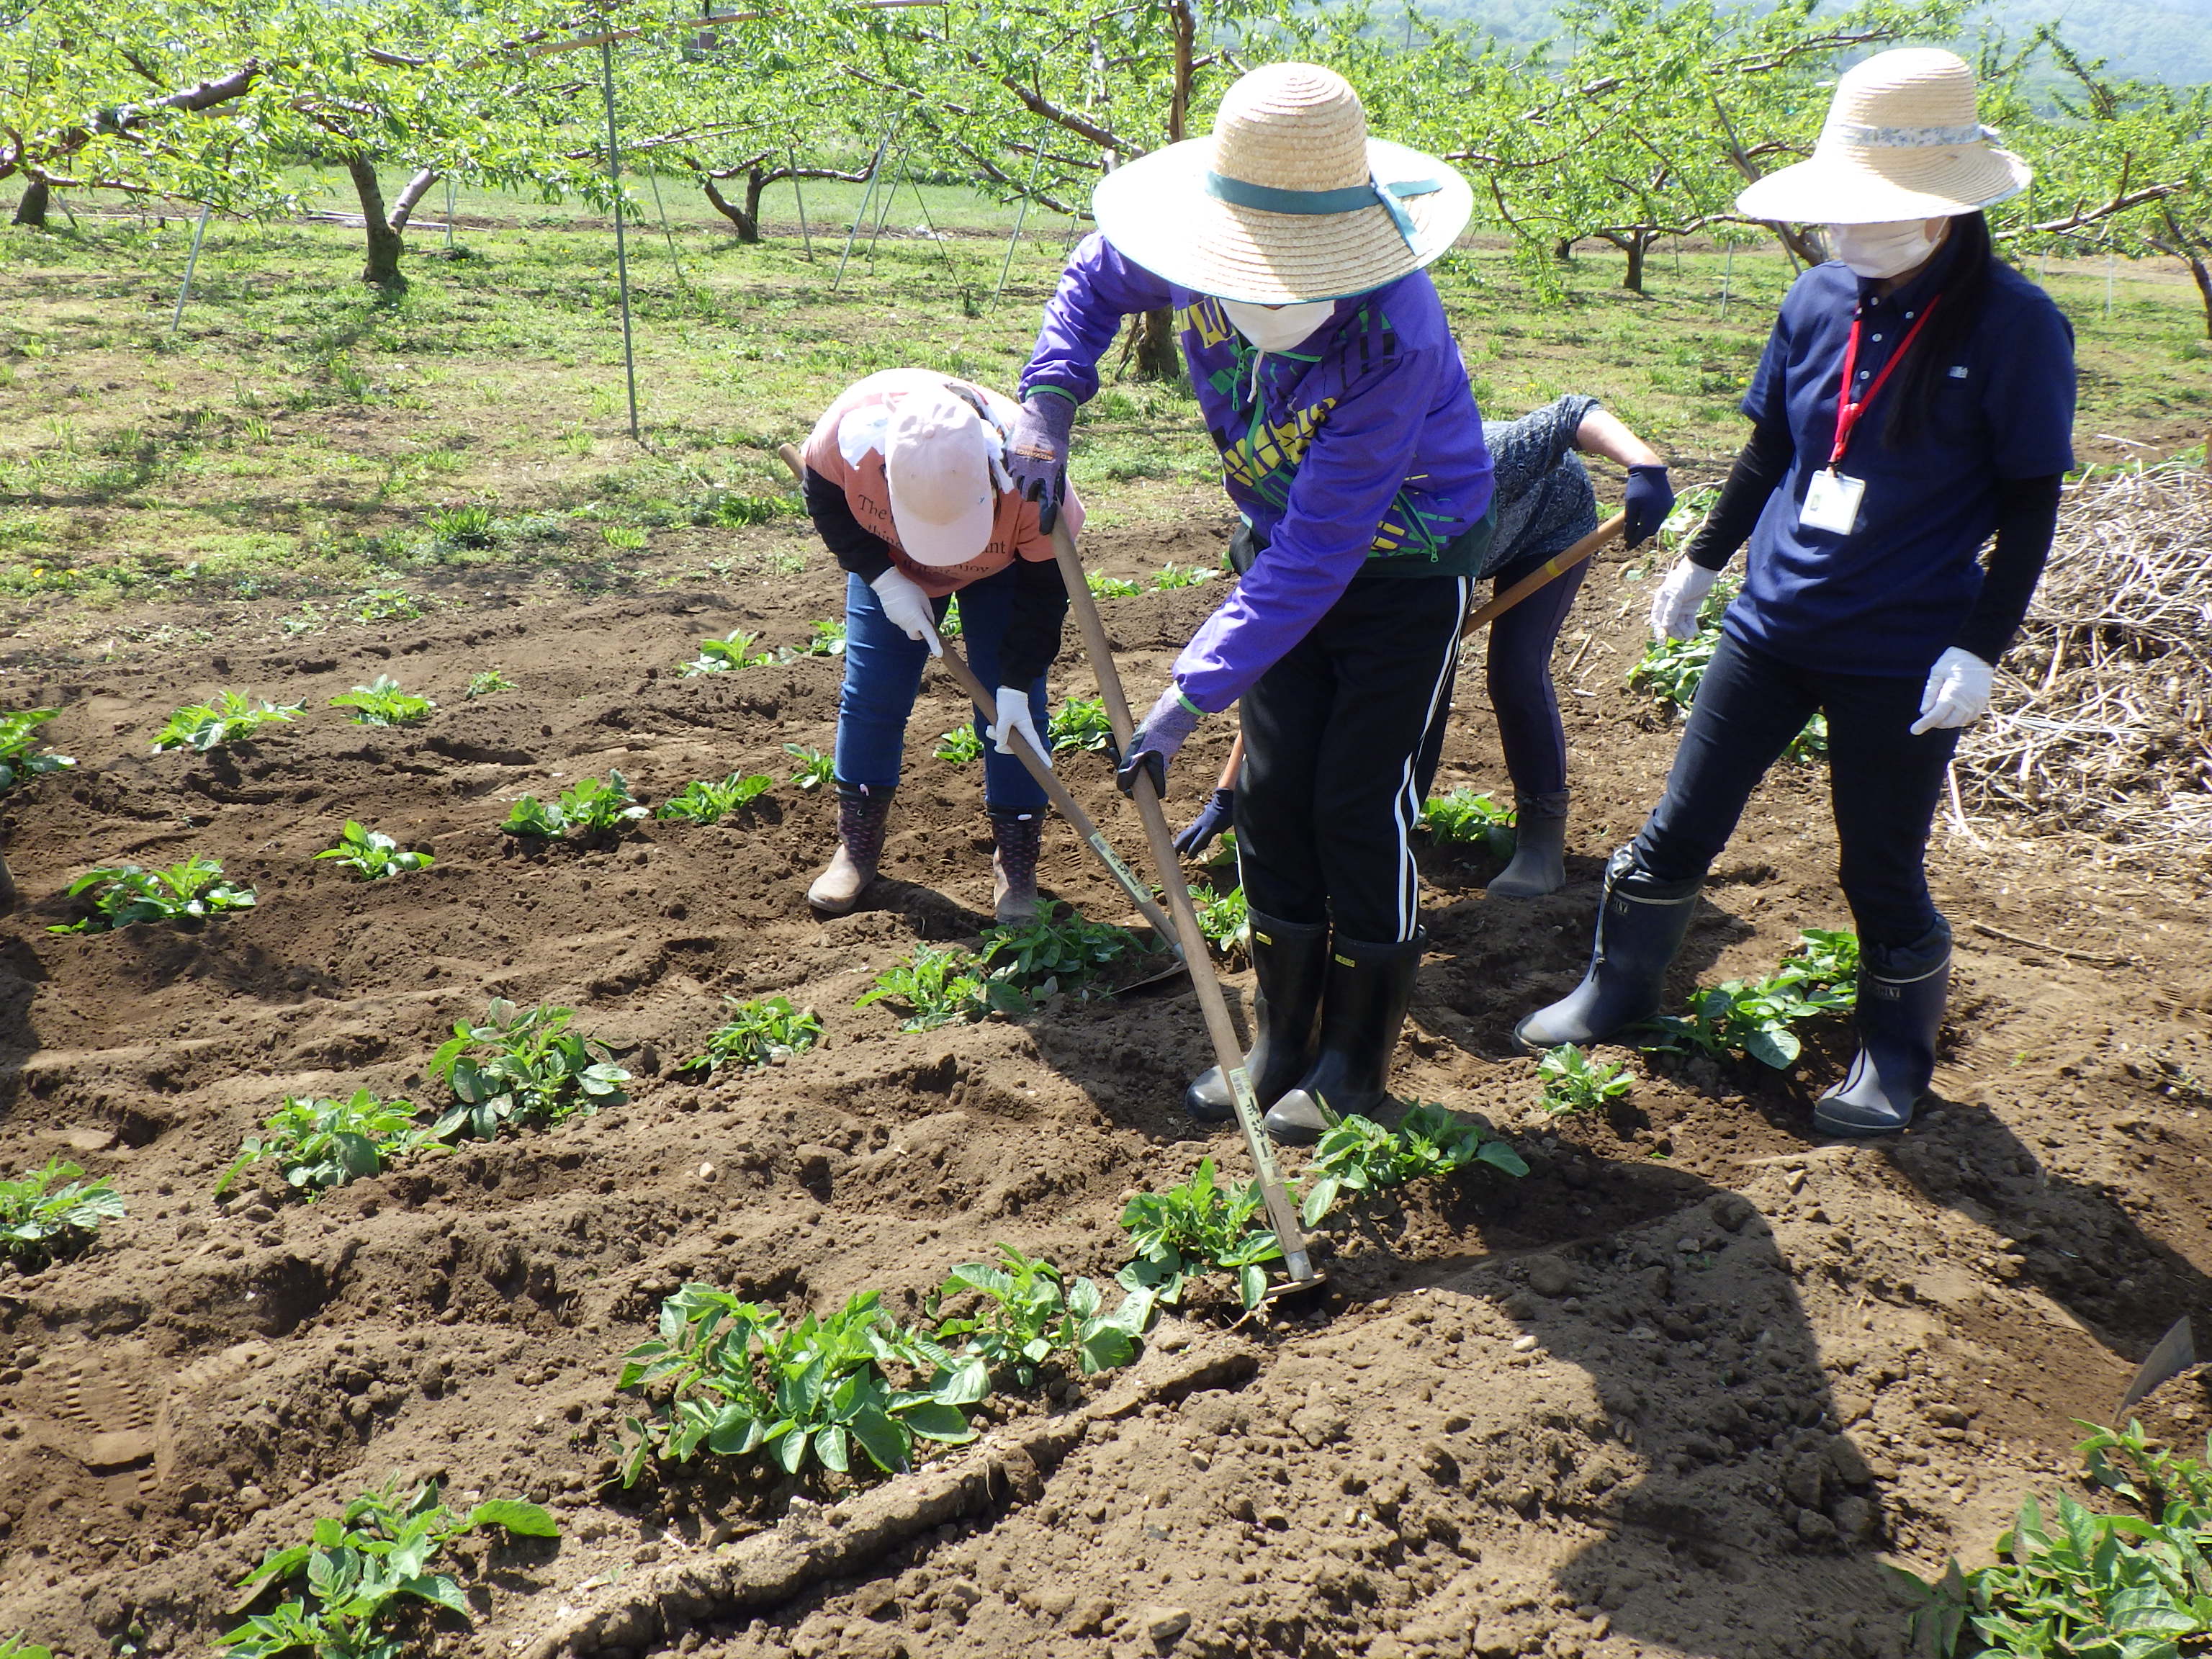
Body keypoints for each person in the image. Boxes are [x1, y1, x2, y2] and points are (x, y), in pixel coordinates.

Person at [1514, 48, 2074, 1137]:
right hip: (1772, 628)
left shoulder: (2015, 328)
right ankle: (1616, 992)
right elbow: (1772, 449)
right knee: (1679, 827)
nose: (1848, 235)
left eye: (1876, 213)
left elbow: (2032, 502)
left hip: (1902, 654)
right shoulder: (1817, 298)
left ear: (1945, 213)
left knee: (1878, 862)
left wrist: (1982, 646)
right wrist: (1705, 559)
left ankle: (1892, 1059)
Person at [1007, 62, 1495, 1145]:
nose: (1260, 299)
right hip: (1286, 540)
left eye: (1292, 281)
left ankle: (1355, 1065)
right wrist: (1049, 400)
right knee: (1274, 801)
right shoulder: (1189, 256)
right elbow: (1090, 282)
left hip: (1403, 569)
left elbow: (1323, 557)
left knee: (1358, 807)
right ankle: (1279, 1044)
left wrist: (1183, 701)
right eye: (1246, 278)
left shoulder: (1393, 337)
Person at [1174, 398, 1677, 898]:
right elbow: (1284, 656)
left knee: (1514, 672)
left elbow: (1572, 414)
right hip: (1435, 555)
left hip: (1547, 523)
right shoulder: (1318, 537)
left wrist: (1645, 465)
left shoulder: (1490, 459)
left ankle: (1541, 839)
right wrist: (1229, 792)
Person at [799, 369, 1077, 925]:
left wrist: (1017, 684)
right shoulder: (848, 438)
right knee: (873, 695)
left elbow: (1046, 596)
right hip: (892, 561)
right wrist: (881, 578)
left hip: (1004, 571)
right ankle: (856, 849)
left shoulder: (1034, 480)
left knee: (1011, 721)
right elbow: (823, 497)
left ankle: (1016, 865)